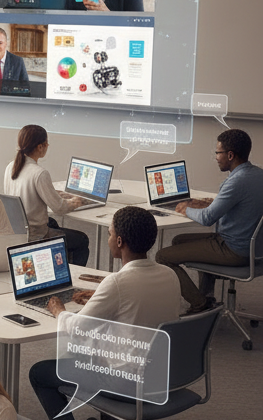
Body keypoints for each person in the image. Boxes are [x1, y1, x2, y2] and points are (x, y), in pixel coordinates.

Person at [29, 206, 181, 420]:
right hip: (162, 376)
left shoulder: (117, 283)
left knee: (39, 373)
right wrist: (105, 301)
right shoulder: (170, 275)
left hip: (125, 380)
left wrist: (58, 310)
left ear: (119, 241)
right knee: (92, 352)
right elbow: (139, 307)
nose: (109, 239)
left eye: (110, 234)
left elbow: (76, 330)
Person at [156, 129, 263, 314]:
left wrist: (184, 208)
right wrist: (204, 204)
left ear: (230, 155)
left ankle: (200, 304)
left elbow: (207, 218)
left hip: (234, 250)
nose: (216, 157)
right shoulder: (258, 175)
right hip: (256, 249)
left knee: (163, 257)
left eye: (218, 152)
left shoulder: (237, 181)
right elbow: (238, 205)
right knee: (179, 241)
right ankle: (207, 296)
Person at [3, 124, 91, 266]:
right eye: (46, 143)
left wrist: (53, 193)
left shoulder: (11, 166)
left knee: (53, 223)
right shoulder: (40, 173)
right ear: (40, 146)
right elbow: (60, 208)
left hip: (18, 230)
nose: (48, 146)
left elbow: (25, 193)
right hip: (35, 234)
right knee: (82, 240)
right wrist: (77, 201)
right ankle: (69, 275)